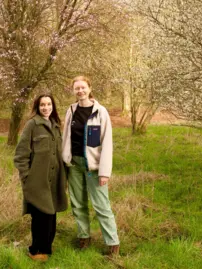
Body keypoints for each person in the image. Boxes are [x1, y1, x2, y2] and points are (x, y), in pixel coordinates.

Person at [61, 76, 120, 257]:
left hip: (93, 168)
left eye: (83, 88)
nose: (80, 91)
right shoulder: (70, 110)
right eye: (77, 88)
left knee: (102, 206)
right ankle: (84, 238)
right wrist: (65, 162)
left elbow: (107, 144)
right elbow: (65, 139)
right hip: (75, 166)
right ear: (73, 91)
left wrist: (104, 172)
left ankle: (112, 245)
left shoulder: (100, 112)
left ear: (89, 88)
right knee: (78, 204)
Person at [14, 94, 68, 262]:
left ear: (53, 106)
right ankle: (35, 250)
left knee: (51, 217)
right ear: (37, 107)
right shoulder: (32, 125)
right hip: (37, 182)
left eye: (49, 104)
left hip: (54, 181)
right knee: (40, 217)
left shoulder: (56, 125)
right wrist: (27, 178)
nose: (46, 107)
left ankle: (46, 249)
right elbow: (20, 155)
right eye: (42, 105)